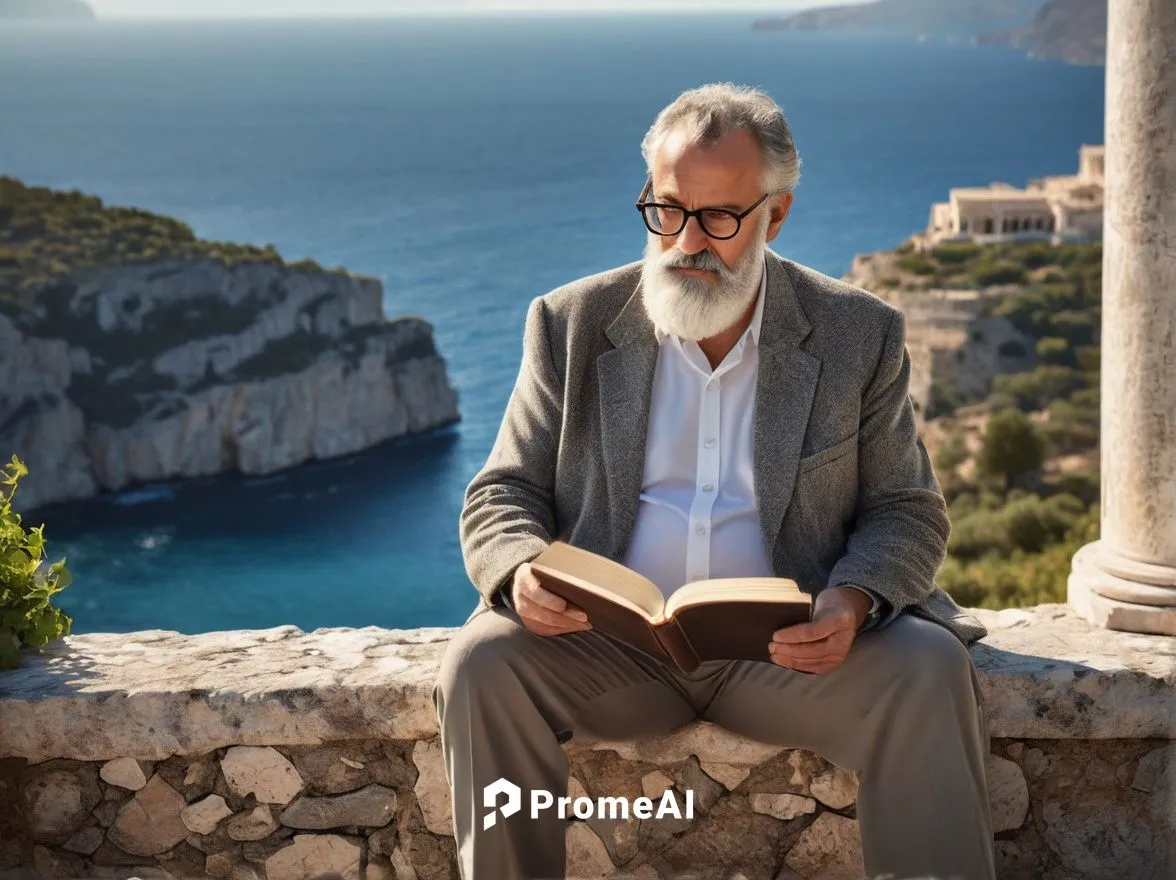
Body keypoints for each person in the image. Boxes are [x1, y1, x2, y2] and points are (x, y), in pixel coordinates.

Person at [433, 83, 995, 880]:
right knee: (480, 665)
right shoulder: (570, 323)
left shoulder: (857, 332)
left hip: (792, 657)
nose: (686, 242)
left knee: (930, 667)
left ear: (777, 213)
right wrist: (518, 569)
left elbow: (905, 511)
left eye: (720, 218)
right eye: (666, 210)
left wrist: (855, 598)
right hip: (607, 650)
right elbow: (502, 492)